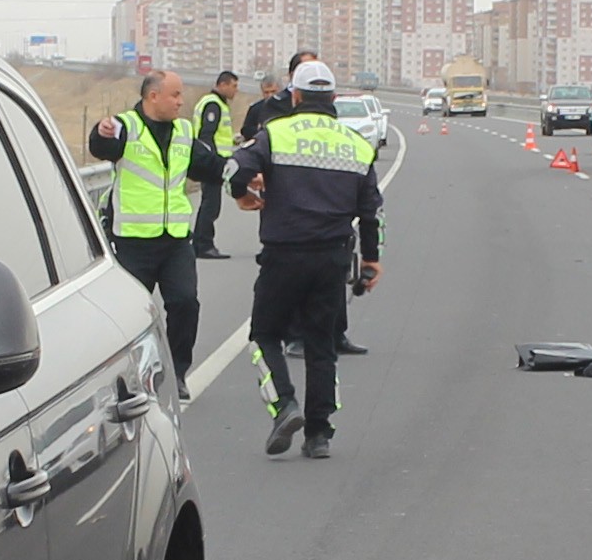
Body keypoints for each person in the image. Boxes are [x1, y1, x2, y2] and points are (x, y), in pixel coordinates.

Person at [224, 57, 383, 458]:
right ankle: (319, 435)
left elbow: (234, 168)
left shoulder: (274, 134)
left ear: (294, 95)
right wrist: (371, 262)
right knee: (321, 345)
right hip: (332, 257)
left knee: (264, 334)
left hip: (283, 254)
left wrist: (244, 195)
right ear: (332, 98)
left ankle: (284, 405)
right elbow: (371, 212)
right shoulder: (357, 145)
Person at [84, 68, 206, 377]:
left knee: (185, 304)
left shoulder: (184, 130)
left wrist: (245, 179)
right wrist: (101, 133)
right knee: (130, 315)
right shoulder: (127, 126)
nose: (181, 102)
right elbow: (102, 147)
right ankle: (127, 374)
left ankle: (177, 372)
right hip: (132, 241)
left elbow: (208, 165)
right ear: (154, 96)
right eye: (175, 95)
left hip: (175, 240)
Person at [187, 69, 243, 260]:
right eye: (234, 86)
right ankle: (203, 245)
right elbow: (206, 135)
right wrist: (213, 161)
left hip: (213, 161)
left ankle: (200, 243)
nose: (236, 90)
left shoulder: (217, 104)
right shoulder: (213, 104)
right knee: (211, 204)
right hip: (212, 163)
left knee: (210, 203)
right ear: (223, 85)